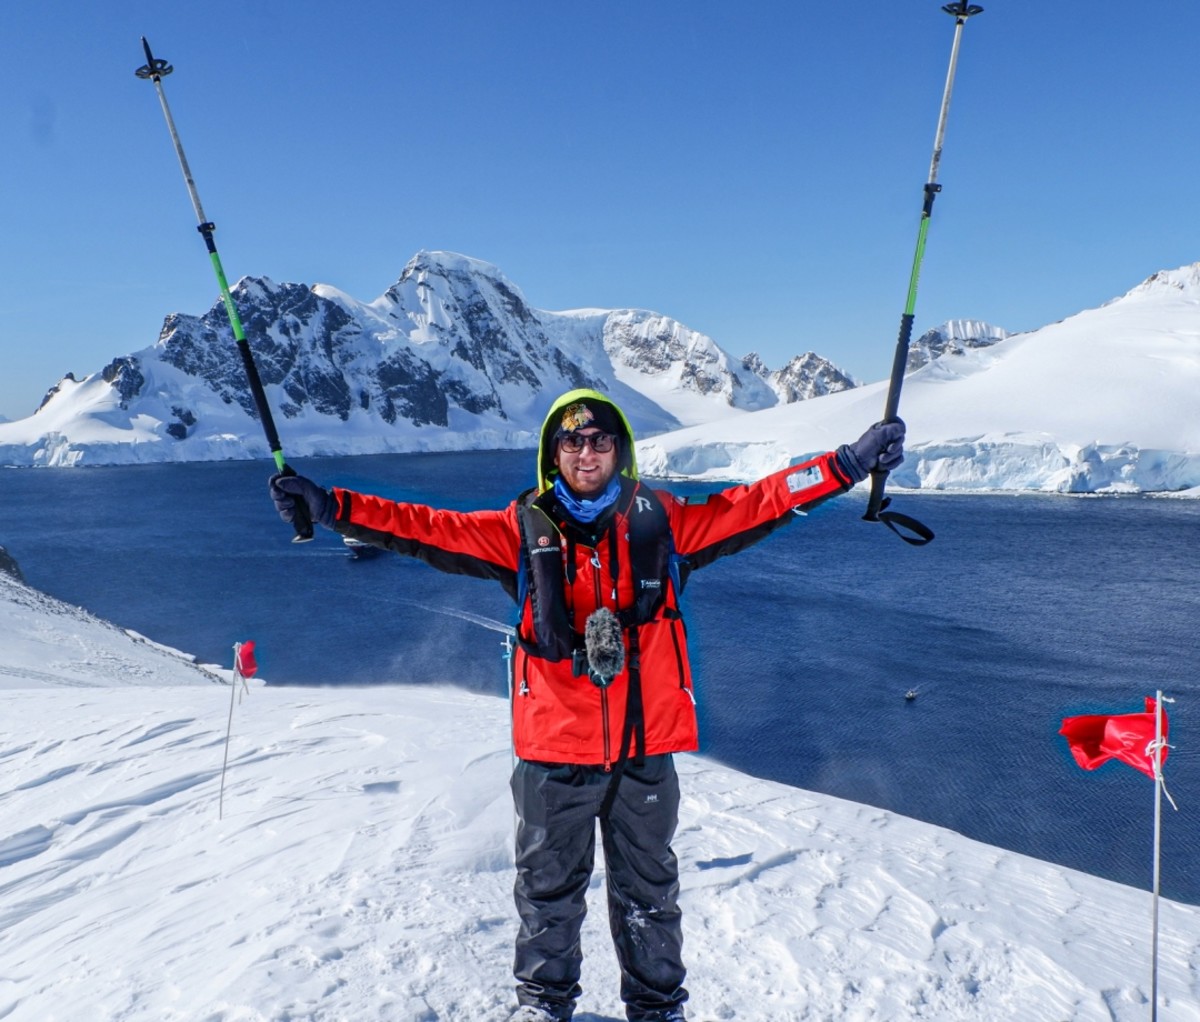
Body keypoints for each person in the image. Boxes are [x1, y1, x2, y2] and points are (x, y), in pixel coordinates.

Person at [269, 388, 904, 1022]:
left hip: (644, 751)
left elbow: (757, 503)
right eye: (571, 440)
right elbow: (422, 527)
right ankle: (544, 1008)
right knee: (548, 894)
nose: (586, 451)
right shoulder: (517, 532)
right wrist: (330, 506)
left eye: (600, 439)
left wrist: (846, 463)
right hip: (553, 755)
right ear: (553, 453)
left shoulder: (665, 522)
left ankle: (657, 1010)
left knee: (650, 893)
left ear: (619, 450)